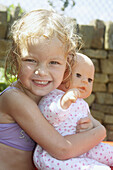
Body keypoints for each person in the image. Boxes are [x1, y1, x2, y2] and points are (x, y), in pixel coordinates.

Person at [0, 9, 106, 170]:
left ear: (67, 63)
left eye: (54, 63)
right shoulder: (14, 98)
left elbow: (90, 120)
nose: (42, 72)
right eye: (30, 60)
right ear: (16, 59)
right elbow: (62, 149)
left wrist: (90, 125)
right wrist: (101, 132)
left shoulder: (53, 94)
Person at [34, 53, 113, 170]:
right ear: (61, 75)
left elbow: (91, 122)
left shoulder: (82, 103)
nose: (85, 81)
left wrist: (89, 126)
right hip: (54, 155)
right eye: (78, 75)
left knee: (110, 152)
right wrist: (63, 103)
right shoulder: (53, 96)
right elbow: (48, 116)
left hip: (82, 147)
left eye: (90, 79)